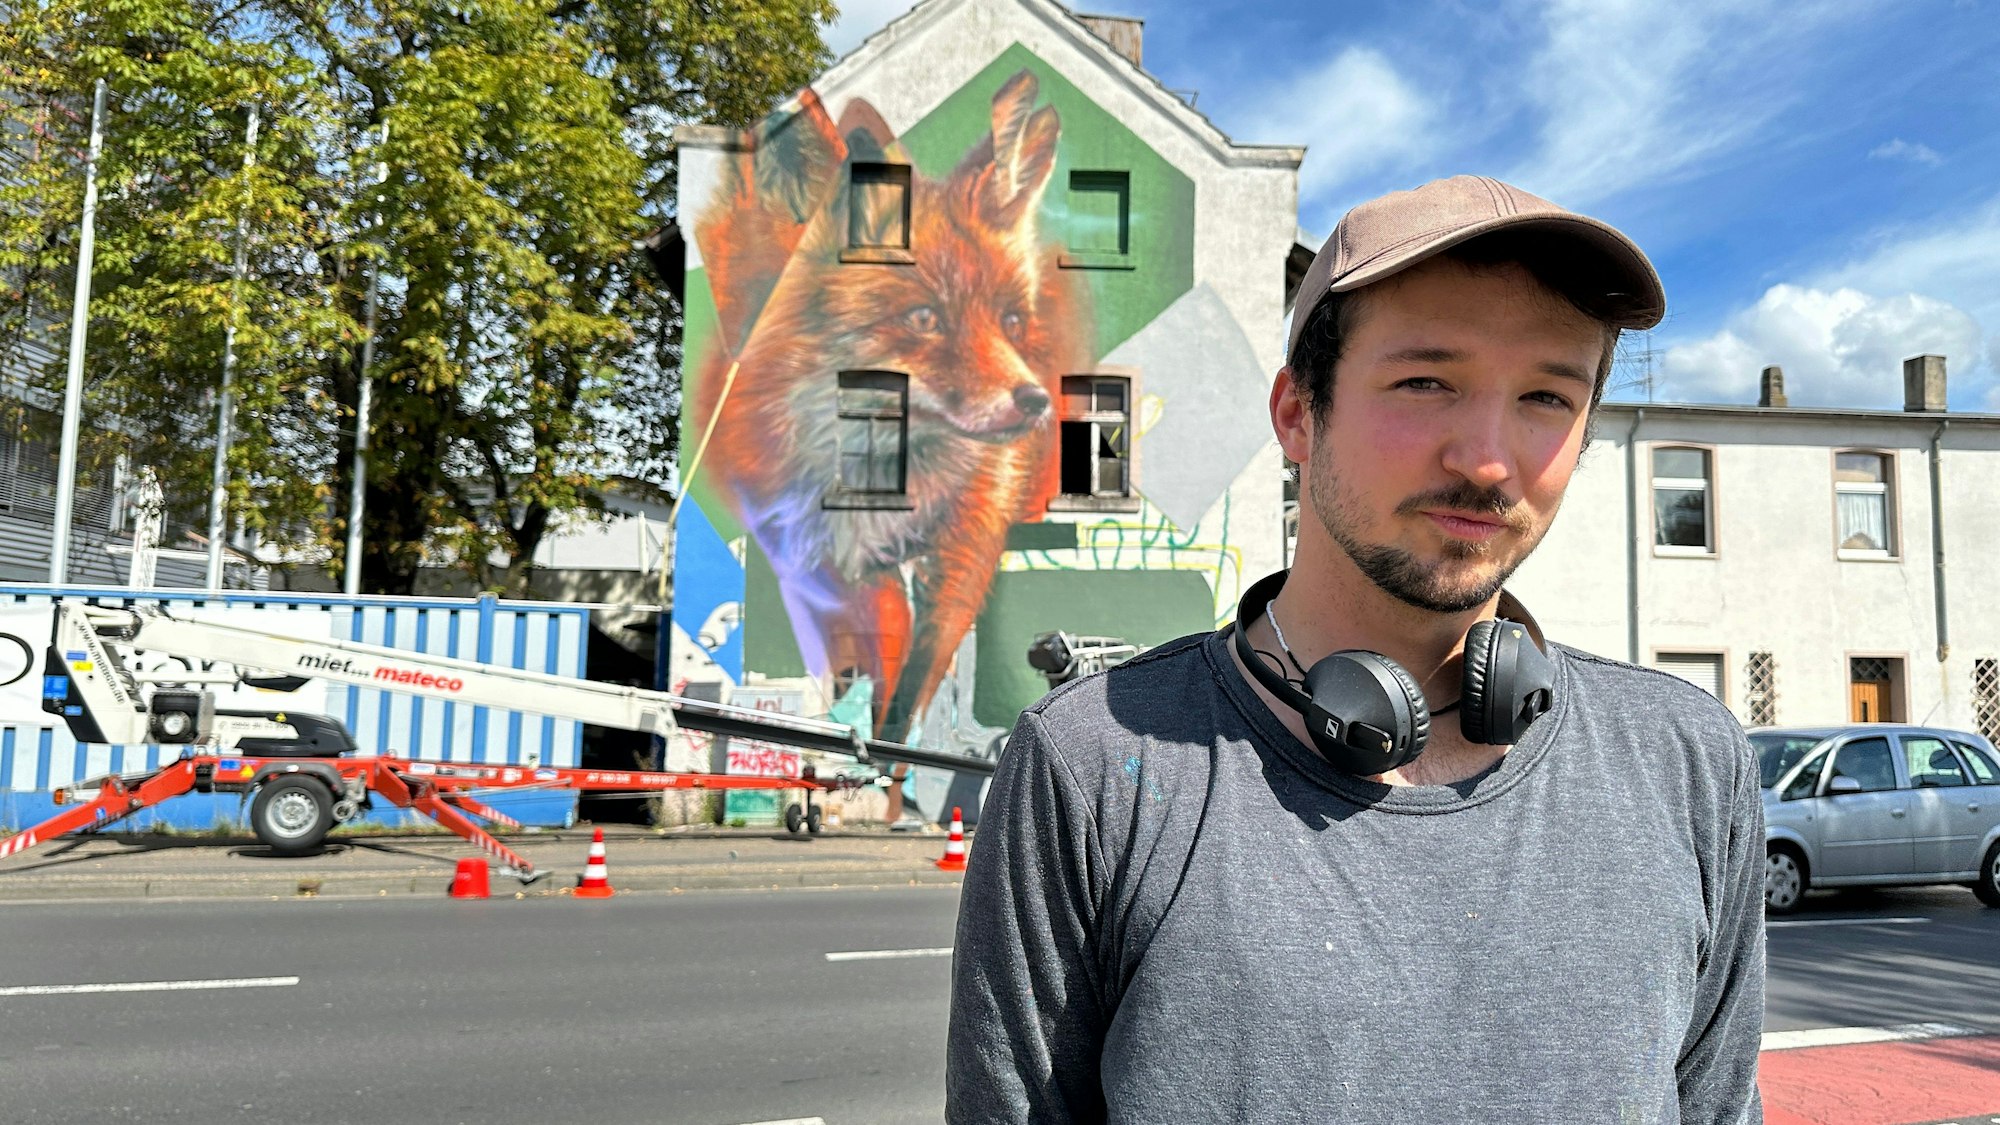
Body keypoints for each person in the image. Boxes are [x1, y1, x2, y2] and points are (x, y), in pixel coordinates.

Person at [946, 175, 1764, 1123]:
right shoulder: (1091, 768)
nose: (1487, 460)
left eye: (1546, 395)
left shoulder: (1689, 763)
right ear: (1297, 412)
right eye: (1427, 381)